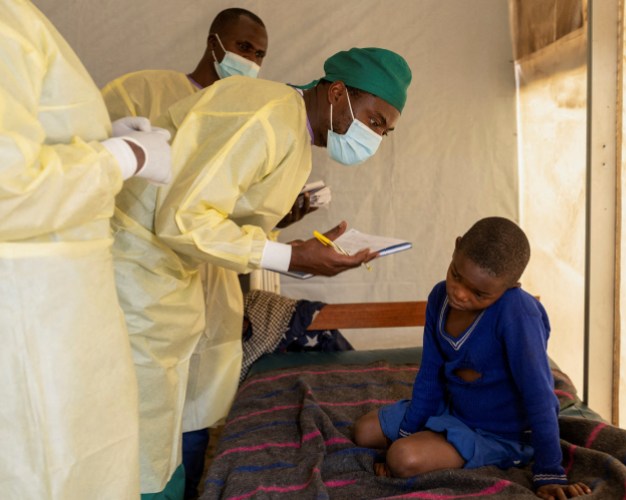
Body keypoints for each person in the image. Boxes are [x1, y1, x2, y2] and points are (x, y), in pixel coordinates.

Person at [107, 47, 412, 498]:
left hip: (172, 273)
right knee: (135, 424)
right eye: (375, 120)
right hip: (138, 270)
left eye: (386, 130)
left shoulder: (294, 133)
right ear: (337, 91)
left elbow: (227, 217)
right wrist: (291, 258)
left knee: (167, 415)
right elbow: (184, 219)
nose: (377, 136)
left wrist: (298, 247)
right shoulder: (268, 116)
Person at [0, 1, 172, 498]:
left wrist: (101, 138)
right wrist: (124, 156)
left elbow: (27, 135)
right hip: (33, 318)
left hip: (59, 309)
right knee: (49, 472)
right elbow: (9, 189)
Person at [101, 9, 271, 497]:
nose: (251, 60)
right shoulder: (144, 91)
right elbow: (94, 165)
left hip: (210, 291)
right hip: (138, 287)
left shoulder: (244, 117)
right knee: (135, 415)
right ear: (215, 41)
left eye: (259, 54)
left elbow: (232, 217)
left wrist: (285, 218)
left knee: (195, 416)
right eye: (243, 47)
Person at [351, 217, 592, 500]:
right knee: (363, 432)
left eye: (479, 293)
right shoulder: (439, 297)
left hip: (499, 432)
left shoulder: (518, 313)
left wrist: (550, 470)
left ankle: (505, 455)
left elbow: (539, 394)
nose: (460, 293)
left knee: (403, 459)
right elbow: (430, 373)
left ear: (511, 286)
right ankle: (427, 437)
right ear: (456, 249)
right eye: (456, 275)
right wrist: (408, 431)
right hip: (451, 409)